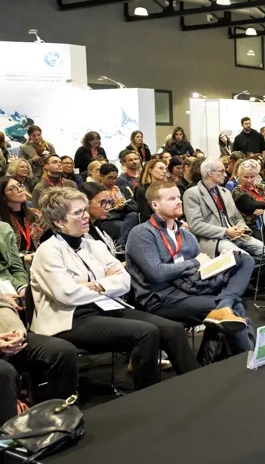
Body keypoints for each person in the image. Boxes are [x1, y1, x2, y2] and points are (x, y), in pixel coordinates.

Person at [29, 187, 199, 389]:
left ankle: (196, 384)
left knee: (172, 328)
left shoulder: (94, 246)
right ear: (58, 222)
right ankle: (150, 395)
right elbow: (66, 295)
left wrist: (92, 285)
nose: (85, 216)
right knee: (146, 333)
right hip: (70, 318)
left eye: (84, 210)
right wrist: (104, 283)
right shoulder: (48, 251)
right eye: (77, 213)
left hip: (105, 307)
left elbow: (124, 281)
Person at [125, 182, 254, 354]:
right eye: (171, 198)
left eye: (178, 197)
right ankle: (247, 358)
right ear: (155, 205)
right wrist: (195, 262)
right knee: (233, 308)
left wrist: (216, 263)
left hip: (189, 288)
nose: (179, 201)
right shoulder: (142, 233)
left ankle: (225, 304)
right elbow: (156, 273)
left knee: (245, 260)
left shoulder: (186, 235)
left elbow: (197, 271)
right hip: (159, 297)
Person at [0, 220, 78, 417]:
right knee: (4, 372)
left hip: (6, 332)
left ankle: (58, 418)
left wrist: (17, 332)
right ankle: (9, 438)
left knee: (62, 351)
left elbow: (2, 303)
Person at [182, 158, 265, 261]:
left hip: (236, 235)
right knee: (244, 258)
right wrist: (226, 231)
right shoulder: (192, 194)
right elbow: (195, 225)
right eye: (222, 171)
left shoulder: (225, 192)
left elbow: (237, 216)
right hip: (214, 239)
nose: (225, 175)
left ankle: (244, 268)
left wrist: (242, 228)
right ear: (210, 173)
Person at [0, 177, 43, 264]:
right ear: (3, 196)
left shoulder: (35, 214)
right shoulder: (2, 221)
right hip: (13, 265)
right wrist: (23, 259)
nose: (20, 190)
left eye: (19, 185)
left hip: (38, 259)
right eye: (12, 189)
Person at [97, 163, 138, 242]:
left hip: (125, 218)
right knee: (127, 228)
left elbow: (136, 207)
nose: (113, 181)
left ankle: (120, 243)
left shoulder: (122, 189)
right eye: (110, 178)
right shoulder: (96, 191)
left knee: (133, 215)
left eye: (116, 178)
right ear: (101, 176)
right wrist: (113, 206)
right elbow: (96, 211)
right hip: (108, 220)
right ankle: (121, 243)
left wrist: (125, 206)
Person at [231, 160, 265, 239]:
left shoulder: (261, 187)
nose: (249, 180)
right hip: (252, 227)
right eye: (245, 177)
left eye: (252, 177)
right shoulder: (238, 190)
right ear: (239, 175)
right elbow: (250, 205)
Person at [82, 182, 120, 258]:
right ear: (86, 203)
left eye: (109, 202)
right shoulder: (80, 234)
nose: (108, 207)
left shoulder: (98, 227)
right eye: (103, 202)